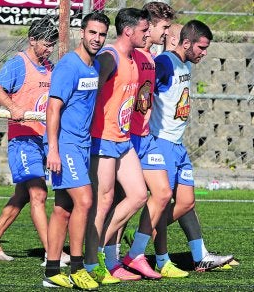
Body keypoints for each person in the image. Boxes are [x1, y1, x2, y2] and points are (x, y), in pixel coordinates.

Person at [149, 19, 234, 272]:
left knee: (186, 202)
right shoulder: (164, 63)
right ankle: (154, 249)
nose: (204, 53)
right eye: (201, 48)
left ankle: (198, 254)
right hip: (161, 142)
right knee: (163, 201)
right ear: (187, 43)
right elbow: (144, 93)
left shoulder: (185, 62)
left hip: (178, 144)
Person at [103, 1, 180, 280]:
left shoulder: (151, 58)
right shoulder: (126, 55)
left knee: (162, 193)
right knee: (121, 199)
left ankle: (134, 254)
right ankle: (104, 256)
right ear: (143, 27)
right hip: (125, 136)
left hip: (144, 137)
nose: (167, 33)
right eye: (163, 28)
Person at [0, 18, 58, 263]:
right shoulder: (18, 64)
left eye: (52, 44)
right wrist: (13, 106)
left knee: (22, 196)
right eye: (46, 44)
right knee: (38, 193)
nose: (49, 49)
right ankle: (52, 252)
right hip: (24, 139)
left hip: (43, 139)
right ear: (32, 40)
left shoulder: (50, 66)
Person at [42, 11, 110, 290]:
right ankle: (78, 268)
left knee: (62, 209)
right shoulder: (69, 66)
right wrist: (53, 150)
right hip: (65, 144)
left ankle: (52, 272)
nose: (96, 38)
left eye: (102, 34)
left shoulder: (93, 66)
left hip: (81, 145)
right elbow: (53, 108)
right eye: (92, 32)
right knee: (84, 201)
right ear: (82, 33)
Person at [83, 7, 150, 284]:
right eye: (145, 30)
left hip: (123, 139)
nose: (148, 34)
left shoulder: (133, 57)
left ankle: (99, 250)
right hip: (103, 138)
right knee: (104, 202)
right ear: (129, 31)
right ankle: (91, 262)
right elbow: (88, 88)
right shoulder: (109, 57)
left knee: (138, 195)